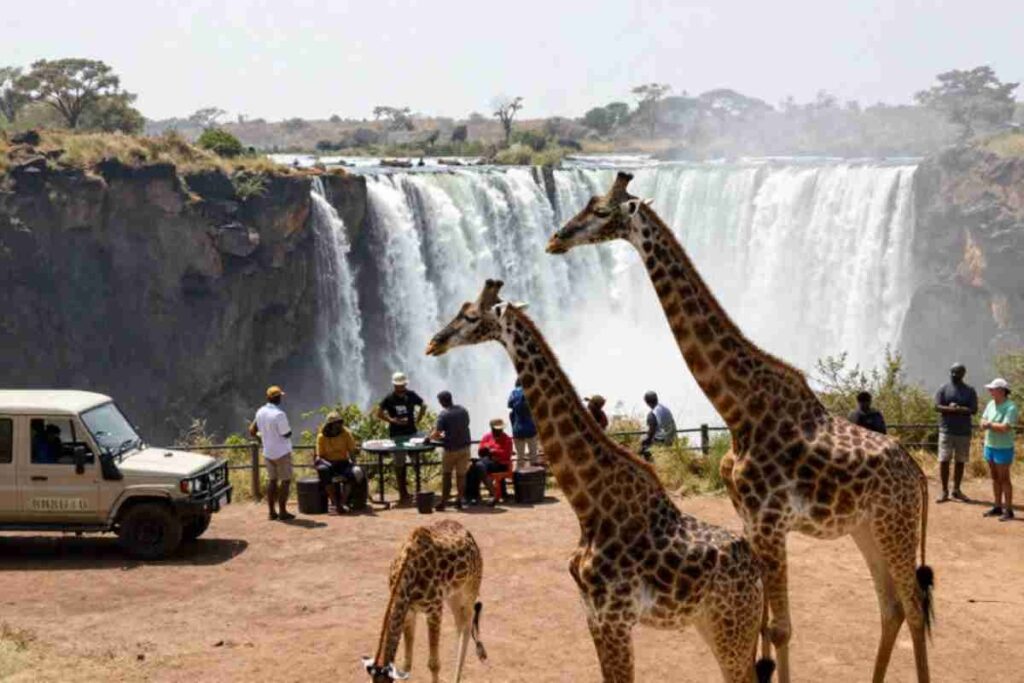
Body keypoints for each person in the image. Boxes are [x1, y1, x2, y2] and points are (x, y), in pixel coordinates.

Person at [374, 371, 426, 504]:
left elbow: (423, 405)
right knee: (399, 464)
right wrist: (392, 420)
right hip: (397, 435)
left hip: (411, 433)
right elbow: (378, 413)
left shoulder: (411, 394)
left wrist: (418, 419)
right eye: (399, 386)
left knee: (416, 461)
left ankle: (419, 491)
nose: (401, 388)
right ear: (394, 386)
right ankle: (403, 493)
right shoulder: (389, 398)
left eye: (402, 386)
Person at [934, 362, 979, 503]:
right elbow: (936, 406)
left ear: (963, 374)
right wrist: (950, 408)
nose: (954, 375)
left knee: (960, 461)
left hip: (963, 431)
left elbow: (974, 409)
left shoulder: (970, 391)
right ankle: (944, 491)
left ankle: (957, 490)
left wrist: (959, 409)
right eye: (952, 372)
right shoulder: (943, 388)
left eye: (957, 373)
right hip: (946, 430)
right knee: (944, 460)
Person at [249, 385, 295, 521]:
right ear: (278, 398)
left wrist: (262, 439)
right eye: (280, 396)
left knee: (272, 481)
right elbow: (287, 434)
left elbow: (252, 430)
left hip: (268, 452)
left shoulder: (260, 411)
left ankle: (271, 512)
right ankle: (283, 512)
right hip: (282, 452)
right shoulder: (279, 414)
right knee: (285, 481)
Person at [979, 378, 1018, 522]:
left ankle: (1008, 509)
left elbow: (1005, 427)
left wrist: (989, 425)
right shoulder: (990, 404)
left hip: (1003, 448)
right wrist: (988, 424)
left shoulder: (1011, 407)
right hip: (990, 445)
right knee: (995, 477)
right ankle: (997, 506)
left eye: (992, 389)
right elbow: (982, 420)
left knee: (1004, 479)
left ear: (1001, 391)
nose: (990, 391)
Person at [428, 390, 471, 511]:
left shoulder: (444, 414)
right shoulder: (463, 410)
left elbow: (437, 433)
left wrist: (429, 438)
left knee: (446, 475)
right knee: (461, 476)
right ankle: (460, 500)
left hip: (450, 449)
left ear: (442, 402)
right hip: (465, 447)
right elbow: (465, 425)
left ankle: (444, 502)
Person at [314, 411, 363, 514]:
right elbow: (319, 456)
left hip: (342, 461)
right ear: (330, 424)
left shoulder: (346, 433)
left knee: (352, 474)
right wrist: (327, 464)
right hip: (327, 462)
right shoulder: (321, 436)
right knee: (323, 471)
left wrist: (354, 463)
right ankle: (335, 503)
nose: (340, 425)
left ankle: (343, 502)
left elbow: (351, 451)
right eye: (337, 423)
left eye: (340, 422)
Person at [466, 418, 514, 506]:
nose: (498, 431)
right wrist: (488, 450)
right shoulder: (487, 437)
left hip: (501, 464)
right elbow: (480, 451)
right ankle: (476, 495)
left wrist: (492, 451)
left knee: (477, 466)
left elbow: (506, 454)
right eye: (496, 429)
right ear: (492, 428)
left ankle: (483, 495)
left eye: (500, 429)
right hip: (487, 461)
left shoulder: (507, 439)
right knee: (473, 468)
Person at [508, 378, 539, 469]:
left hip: (518, 429)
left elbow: (509, 405)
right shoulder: (531, 391)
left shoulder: (513, 393)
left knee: (520, 457)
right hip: (531, 429)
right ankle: (535, 475)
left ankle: (519, 475)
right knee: (533, 456)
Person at [641, 391, 676, 459]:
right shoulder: (666, 409)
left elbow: (651, 432)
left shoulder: (652, 414)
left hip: (661, 442)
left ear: (646, 402)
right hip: (671, 440)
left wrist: (644, 441)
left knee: (645, 447)